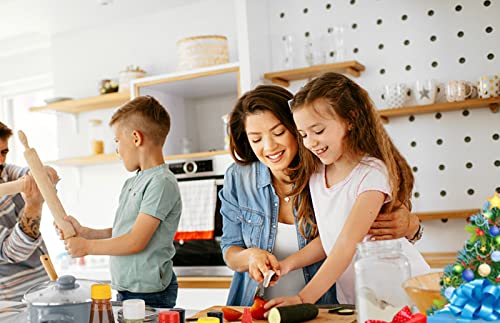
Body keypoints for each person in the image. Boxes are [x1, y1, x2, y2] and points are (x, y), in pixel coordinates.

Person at [220, 85, 422, 307]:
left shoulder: (324, 169)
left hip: (332, 303)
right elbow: (230, 248)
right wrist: (256, 258)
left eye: (278, 133)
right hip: (260, 306)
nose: (269, 146)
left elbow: (343, 243)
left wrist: (411, 223)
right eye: (256, 139)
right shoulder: (241, 178)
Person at [59, 96, 182, 308]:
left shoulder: (161, 183)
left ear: (136, 138)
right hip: (128, 289)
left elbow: (135, 241)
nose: (117, 150)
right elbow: (124, 232)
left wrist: (87, 247)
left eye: (117, 141)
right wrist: (88, 233)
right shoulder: (133, 182)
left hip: (149, 293)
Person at [0, 121, 59, 301]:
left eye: (3, 152)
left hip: (42, 288)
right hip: (10, 305)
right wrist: (33, 205)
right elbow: (14, 252)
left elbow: (41, 176)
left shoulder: (5, 172)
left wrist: (44, 174)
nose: (0, 160)